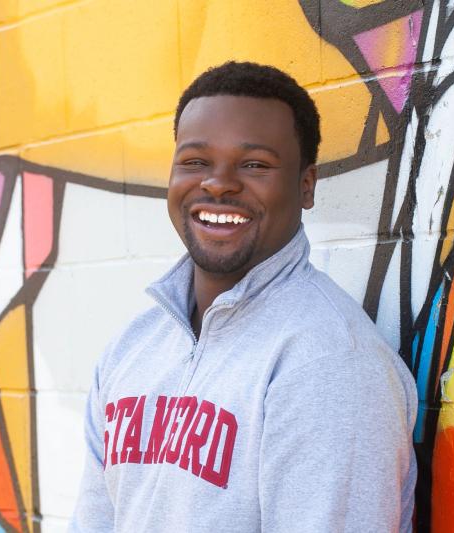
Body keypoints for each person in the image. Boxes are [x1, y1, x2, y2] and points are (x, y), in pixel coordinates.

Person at [69, 61, 417, 533]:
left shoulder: (329, 362)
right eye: (195, 162)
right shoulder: (133, 347)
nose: (218, 183)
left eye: (254, 164)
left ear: (306, 185)